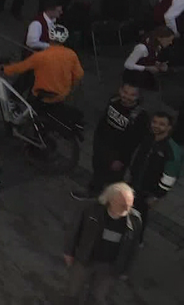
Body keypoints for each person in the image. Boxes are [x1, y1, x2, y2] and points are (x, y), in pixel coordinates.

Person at [64, 182, 142, 303]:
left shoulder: (135, 219)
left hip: (110, 266)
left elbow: (133, 247)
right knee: (73, 290)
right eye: (122, 205)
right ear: (110, 200)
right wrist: (69, 252)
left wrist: (125, 270)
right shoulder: (90, 209)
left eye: (129, 205)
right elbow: (74, 230)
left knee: (98, 296)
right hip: (86, 258)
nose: (126, 209)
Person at [72, 83, 148, 201]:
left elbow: (134, 142)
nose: (127, 97)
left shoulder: (140, 116)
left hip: (118, 154)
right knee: (97, 171)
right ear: (120, 90)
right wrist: (97, 142)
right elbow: (104, 121)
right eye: (125, 92)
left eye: (132, 95)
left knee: (114, 180)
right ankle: (93, 191)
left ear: (138, 96)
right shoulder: (114, 100)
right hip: (102, 147)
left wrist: (121, 159)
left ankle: (111, 202)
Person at [126, 112, 181, 244]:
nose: (156, 126)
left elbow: (170, 176)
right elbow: (138, 157)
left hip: (148, 190)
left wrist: (157, 196)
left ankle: (137, 240)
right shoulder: (148, 138)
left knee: (140, 215)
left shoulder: (171, 150)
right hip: (135, 182)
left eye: (162, 124)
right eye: (155, 122)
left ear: (169, 128)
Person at [0, 24, 84, 106]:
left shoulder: (40, 56)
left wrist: (5, 69)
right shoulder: (72, 55)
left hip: (42, 97)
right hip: (62, 96)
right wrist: (70, 90)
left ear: (49, 37)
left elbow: (20, 67)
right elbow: (79, 75)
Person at [123, 27, 174, 91]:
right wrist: (147, 68)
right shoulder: (142, 48)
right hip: (134, 77)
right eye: (169, 40)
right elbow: (127, 64)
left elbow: (149, 59)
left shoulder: (158, 46)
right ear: (160, 38)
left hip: (145, 76)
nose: (171, 43)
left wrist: (158, 64)